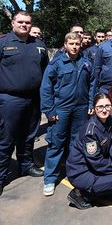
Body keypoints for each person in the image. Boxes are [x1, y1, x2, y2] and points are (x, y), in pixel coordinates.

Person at [0, 10, 49, 198]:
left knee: (29, 136)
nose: (24, 25)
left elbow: (46, 73)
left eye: (28, 22)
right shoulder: (0, 44)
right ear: (13, 23)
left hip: (33, 99)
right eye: (20, 21)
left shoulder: (39, 45)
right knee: (5, 139)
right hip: (9, 99)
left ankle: (25, 165)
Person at [40, 32, 95, 196]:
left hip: (81, 108)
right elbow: (46, 88)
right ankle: (49, 179)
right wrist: (49, 110)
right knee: (56, 143)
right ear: (65, 44)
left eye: (77, 43)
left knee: (76, 143)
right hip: (61, 109)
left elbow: (92, 84)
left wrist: (91, 103)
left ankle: (75, 174)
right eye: (71, 43)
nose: (75, 46)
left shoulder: (86, 63)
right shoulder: (56, 63)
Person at [65, 93, 112, 210]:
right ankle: (80, 195)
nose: (104, 110)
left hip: (93, 165)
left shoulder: (109, 120)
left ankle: (99, 187)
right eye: (100, 107)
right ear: (94, 109)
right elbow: (96, 162)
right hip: (80, 171)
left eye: (107, 106)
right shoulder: (91, 131)